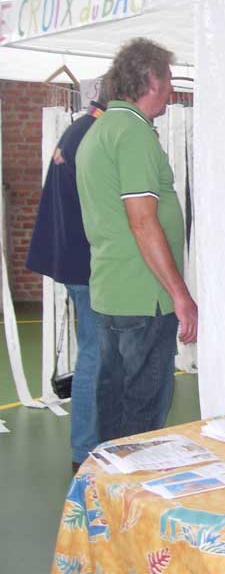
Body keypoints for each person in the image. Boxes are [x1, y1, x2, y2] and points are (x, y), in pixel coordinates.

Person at [77, 38, 198, 443]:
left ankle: (110, 473)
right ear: (151, 80)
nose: (171, 89)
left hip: (112, 290)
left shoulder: (99, 130)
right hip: (144, 298)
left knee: (112, 401)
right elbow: (143, 223)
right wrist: (180, 295)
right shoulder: (133, 134)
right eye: (168, 79)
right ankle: (133, 476)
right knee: (141, 413)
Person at [26, 80, 109, 471]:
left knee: (94, 352)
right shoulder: (95, 133)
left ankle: (88, 445)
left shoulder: (77, 129)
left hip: (75, 259)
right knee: (96, 355)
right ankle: (87, 448)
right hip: (89, 263)